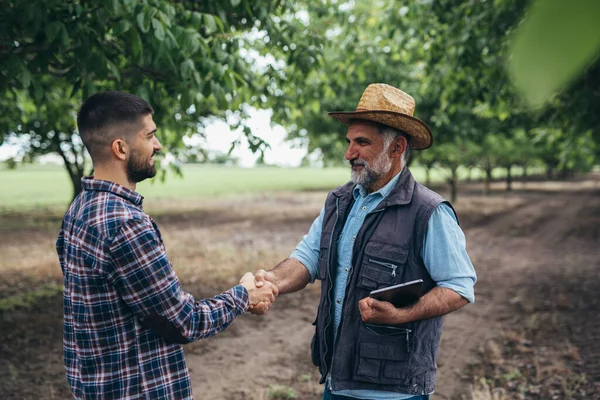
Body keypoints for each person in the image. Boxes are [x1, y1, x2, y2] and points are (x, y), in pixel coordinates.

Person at [252, 83, 477, 399]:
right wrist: (271, 281)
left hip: (395, 391)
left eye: (361, 142)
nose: (349, 153)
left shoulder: (428, 211)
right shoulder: (340, 201)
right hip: (337, 381)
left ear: (396, 148)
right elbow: (308, 257)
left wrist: (401, 315)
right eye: (348, 142)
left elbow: (459, 287)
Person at [56, 91, 278, 399]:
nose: (157, 145)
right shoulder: (126, 224)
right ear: (121, 148)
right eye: (150, 136)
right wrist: (244, 295)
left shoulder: (80, 209)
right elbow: (183, 321)